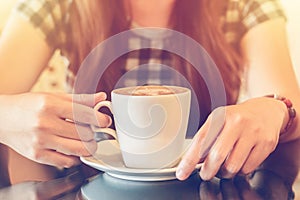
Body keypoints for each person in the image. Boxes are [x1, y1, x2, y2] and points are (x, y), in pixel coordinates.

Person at [0, 0, 299, 183]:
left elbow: (287, 103)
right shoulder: (59, 4)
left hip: (206, 183)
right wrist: (7, 115)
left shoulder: (243, 5)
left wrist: (276, 109)